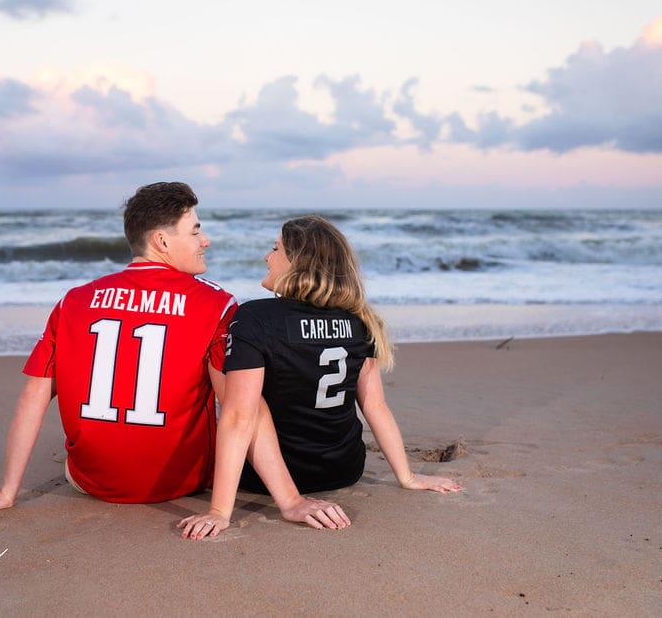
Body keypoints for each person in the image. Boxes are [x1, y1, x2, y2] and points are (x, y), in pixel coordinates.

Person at [0, 184, 347, 529]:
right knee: (241, 395)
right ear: (162, 241)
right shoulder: (216, 304)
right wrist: (290, 500)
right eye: (196, 230)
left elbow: (34, 396)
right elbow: (243, 410)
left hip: (89, 483)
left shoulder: (74, 301)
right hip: (183, 484)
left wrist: (6, 491)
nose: (205, 240)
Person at [180, 215, 461, 540]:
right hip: (343, 470)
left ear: (299, 263)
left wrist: (219, 511)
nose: (266, 257)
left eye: (275, 249)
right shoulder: (360, 322)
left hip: (260, 478)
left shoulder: (255, 318)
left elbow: (242, 415)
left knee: (225, 385)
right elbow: (375, 406)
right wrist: (407, 476)